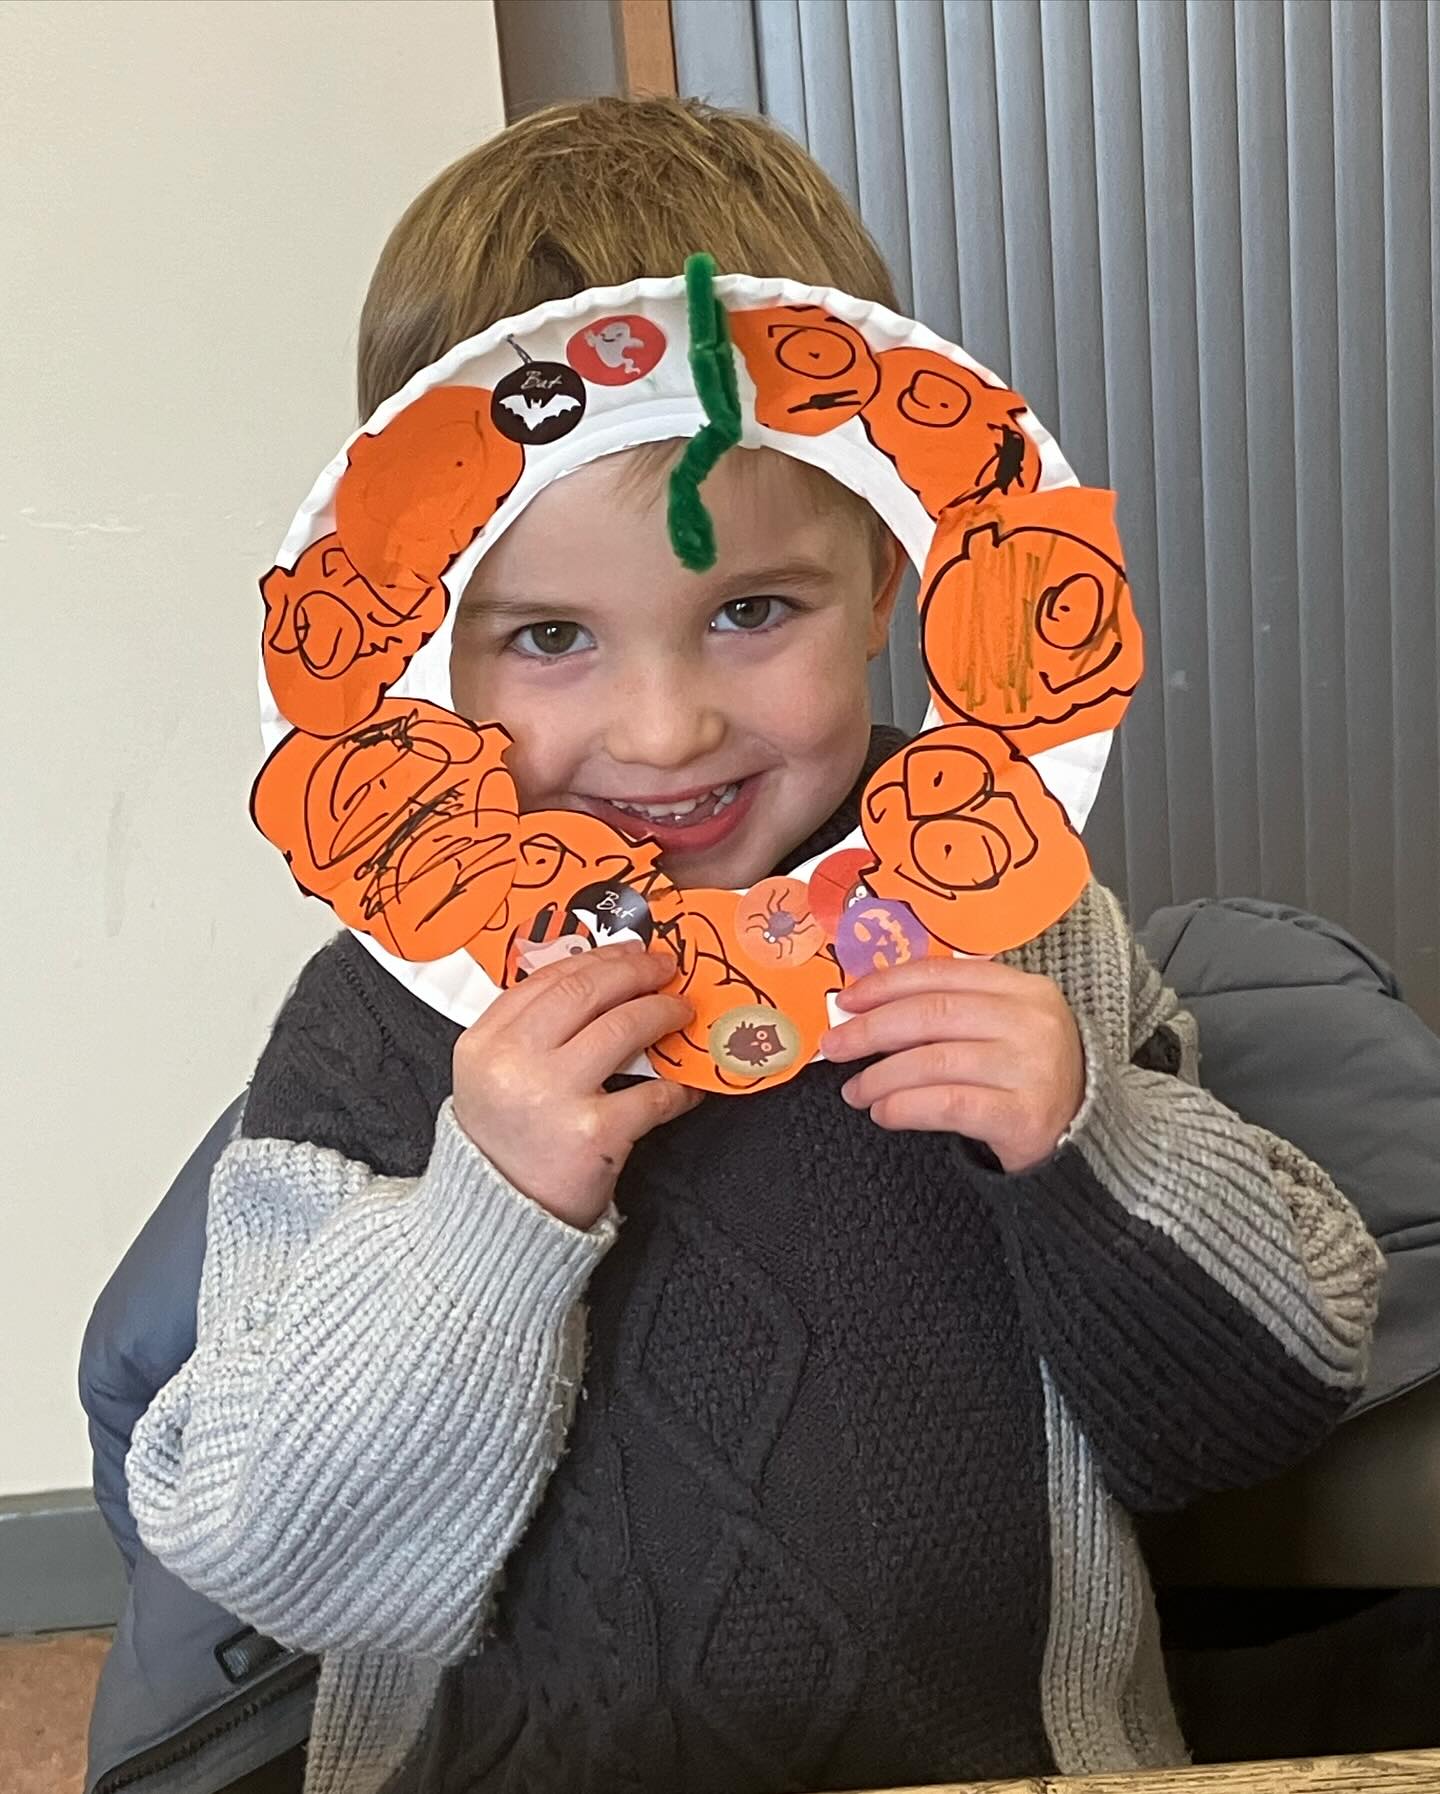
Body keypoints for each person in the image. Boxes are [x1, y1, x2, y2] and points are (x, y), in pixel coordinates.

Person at [120, 96, 1382, 1794]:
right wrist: (486, 1219)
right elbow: (267, 1551)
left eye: (751, 610)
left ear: (886, 579)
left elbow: (1265, 1398)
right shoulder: (379, 1017)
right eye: (550, 635)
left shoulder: (1029, 934)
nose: (662, 727)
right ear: (425, 646)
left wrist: (1097, 1136)